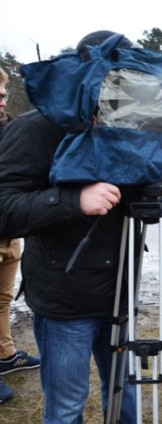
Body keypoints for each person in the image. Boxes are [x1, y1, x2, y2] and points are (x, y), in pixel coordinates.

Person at [0, 32, 138, 422]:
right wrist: (73, 201)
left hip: (121, 294)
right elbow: (4, 208)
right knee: (65, 409)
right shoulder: (35, 128)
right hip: (65, 303)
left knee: (126, 394)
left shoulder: (130, 127)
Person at [0, 67, 41, 404]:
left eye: (3, 93)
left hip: (9, 233)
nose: (2, 100)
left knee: (2, 299)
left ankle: (5, 354)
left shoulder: (11, 129)